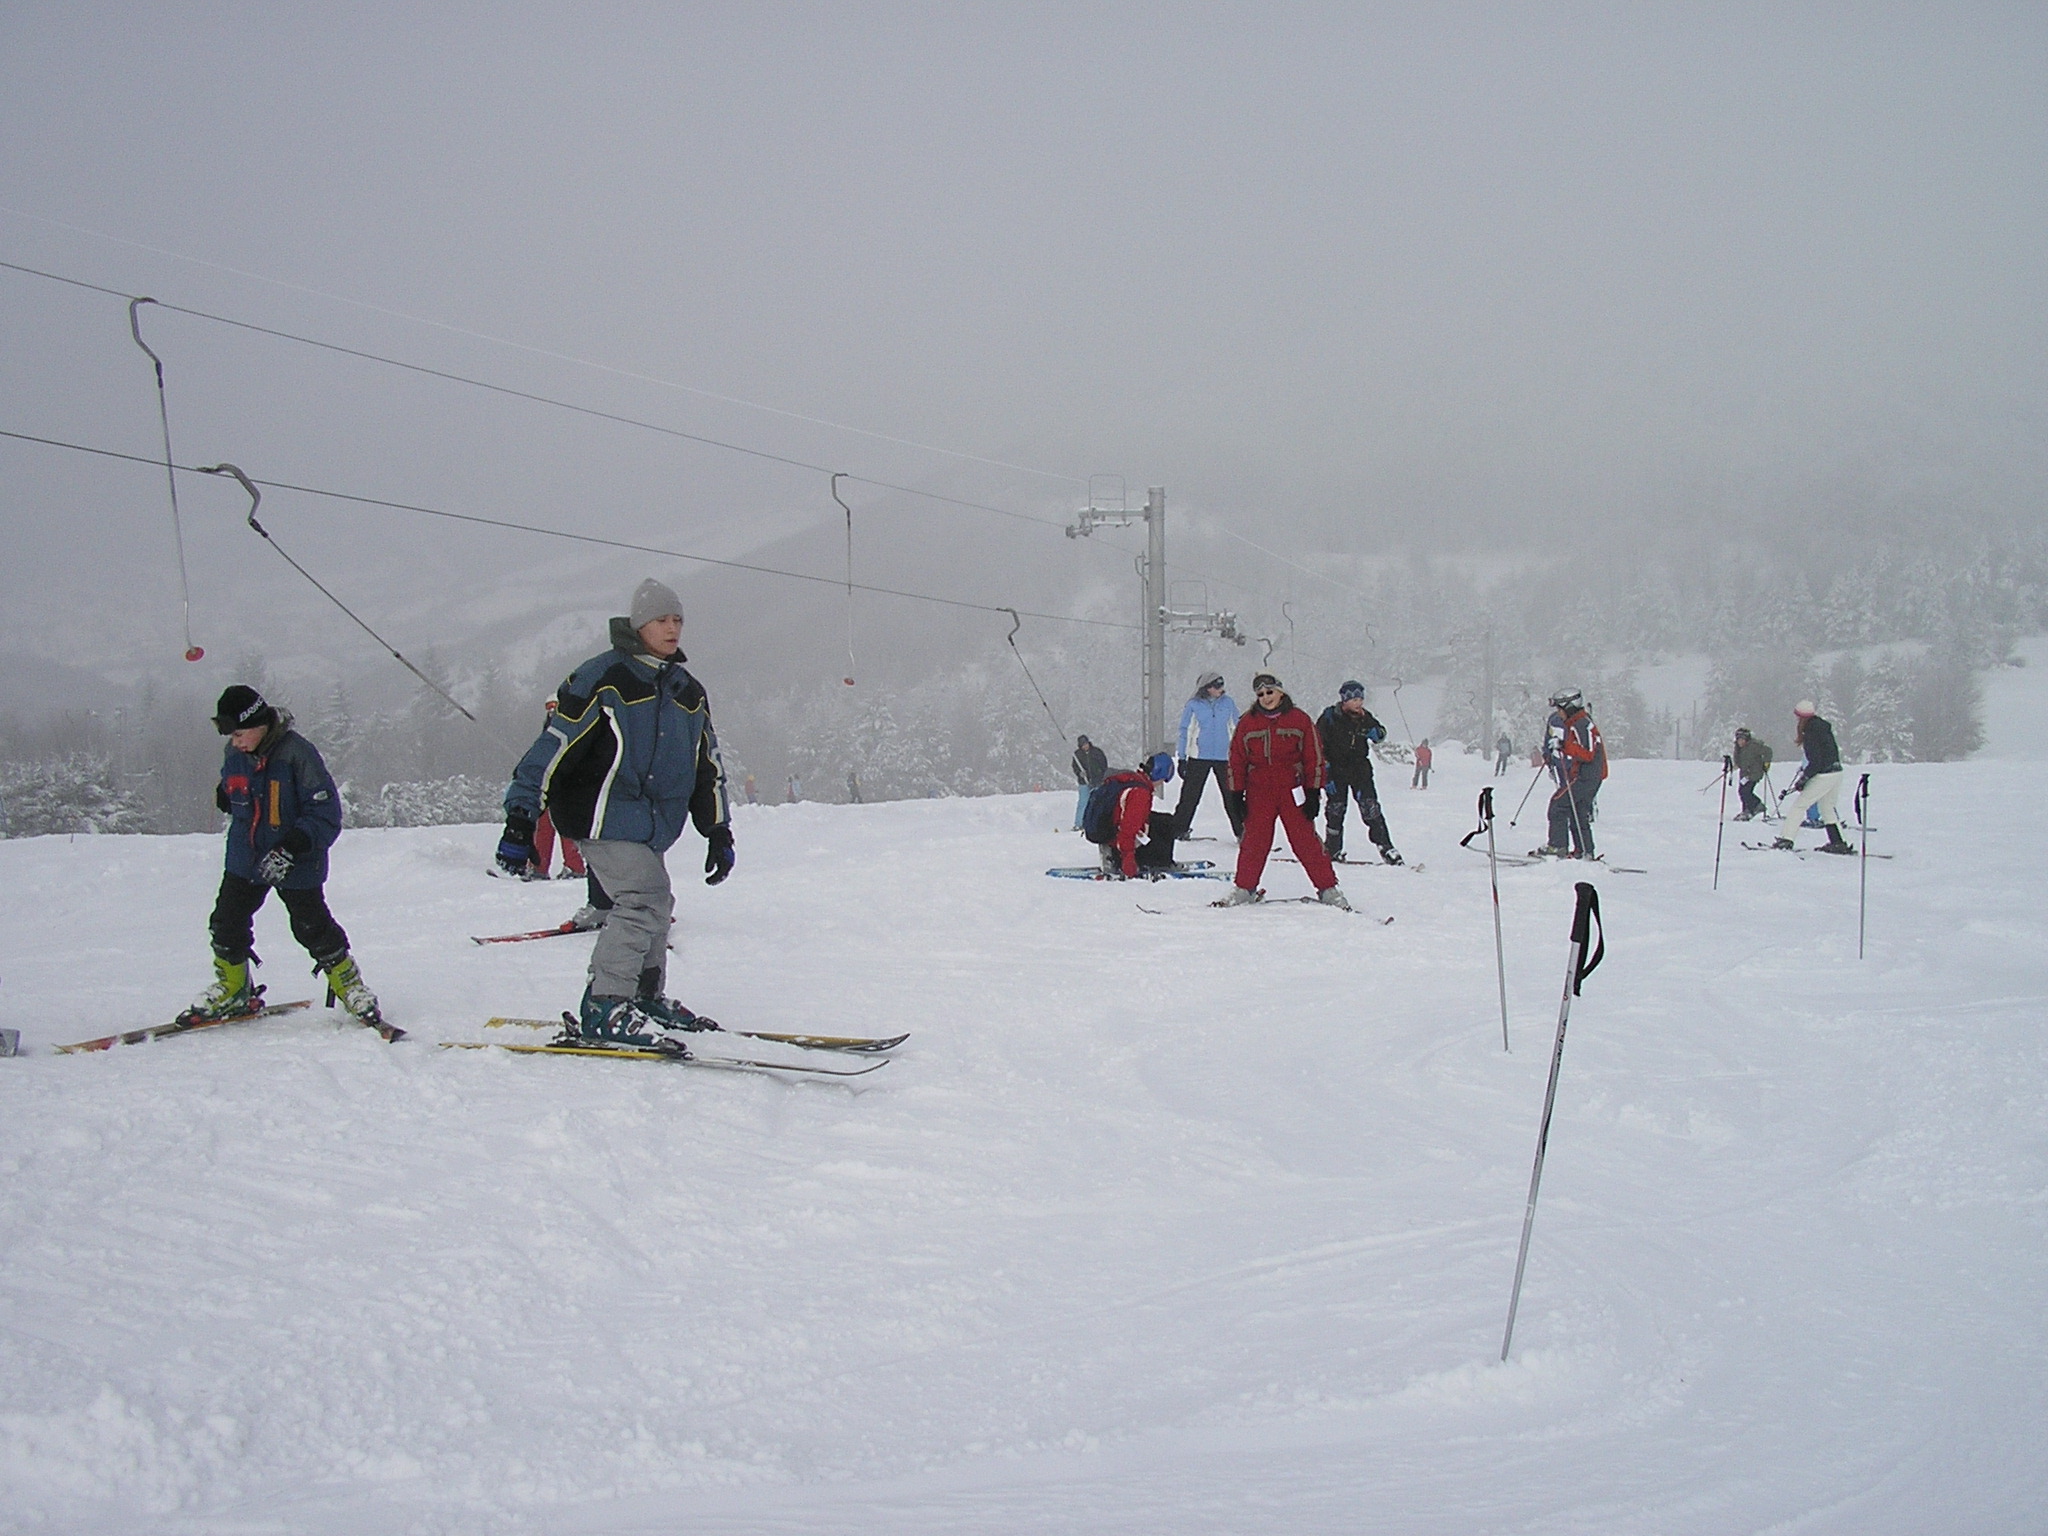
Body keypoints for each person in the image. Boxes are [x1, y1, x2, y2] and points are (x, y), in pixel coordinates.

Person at [498, 578, 734, 1045]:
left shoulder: (688, 692)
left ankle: (644, 996)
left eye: (677, 620)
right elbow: (553, 746)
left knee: (656, 901)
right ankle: (605, 1004)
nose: (672, 628)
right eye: (661, 620)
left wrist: (718, 830)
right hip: (600, 813)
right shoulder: (603, 679)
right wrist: (521, 818)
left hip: (652, 822)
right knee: (643, 898)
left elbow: (707, 764)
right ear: (638, 624)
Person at [184, 685, 384, 1028]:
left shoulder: (298, 755)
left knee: (312, 927)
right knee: (226, 923)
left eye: (239, 733)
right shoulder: (235, 753)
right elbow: (234, 791)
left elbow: (326, 814)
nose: (235, 742)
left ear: (259, 724)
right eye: (231, 736)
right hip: (246, 858)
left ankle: (350, 985)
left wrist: (291, 847)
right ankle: (233, 989)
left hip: (297, 859)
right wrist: (227, 794)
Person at [1221, 673, 1349, 908]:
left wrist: (1313, 791)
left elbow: (1314, 757)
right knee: (1255, 841)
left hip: (1292, 789)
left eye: (1270, 692)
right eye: (1261, 694)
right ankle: (1244, 888)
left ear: (1280, 692)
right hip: (1259, 791)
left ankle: (1328, 888)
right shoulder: (1247, 723)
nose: (1266, 698)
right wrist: (1236, 793)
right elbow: (1236, 760)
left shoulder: (1299, 720)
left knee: (1304, 840)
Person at [1316, 680, 1403, 865]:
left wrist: (1376, 732)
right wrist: (1325, 770)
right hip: (1336, 770)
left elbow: (1380, 734)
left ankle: (1386, 847)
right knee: (1335, 809)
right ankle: (1332, 848)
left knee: (1370, 807)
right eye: (1354, 699)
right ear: (1344, 700)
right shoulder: (1330, 716)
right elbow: (1317, 744)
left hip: (1360, 770)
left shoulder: (1365, 716)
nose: (1358, 703)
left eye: (1360, 699)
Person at [1170, 671, 1244, 840]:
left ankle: (1242, 832)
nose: (1221, 689)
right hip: (1198, 756)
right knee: (1190, 796)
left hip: (1225, 757)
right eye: (1217, 685)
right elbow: (1186, 731)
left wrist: (1240, 755)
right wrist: (1182, 757)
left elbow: (1236, 728)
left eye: (1221, 685)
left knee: (1232, 796)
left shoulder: (1228, 703)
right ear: (1207, 687)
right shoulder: (1193, 705)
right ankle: (1179, 830)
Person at [1533, 690, 1607, 859]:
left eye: (1560, 709)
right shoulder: (1578, 722)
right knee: (1577, 812)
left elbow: (1587, 753)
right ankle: (1584, 851)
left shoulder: (1581, 724)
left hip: (1585, 777)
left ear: (1569, 707)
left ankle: (1557, 846)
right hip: (1588, 776)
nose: (1559, 713)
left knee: (1558, 805)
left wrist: (1563, 745)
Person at [1775, 701, 1854, 854]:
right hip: (1836, 772)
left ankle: (1786, 840)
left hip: (1824, 774)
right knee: (1827, 808)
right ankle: (1837, 842)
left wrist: (1804, 779)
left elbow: (1816, 761)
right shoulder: (1822, 728)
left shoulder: (1810, 732)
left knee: (1799, 806)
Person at [1087, 752, 1180, 878]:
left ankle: (1115, 852)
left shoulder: (1135, 780)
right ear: (1158, 774)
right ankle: (1157, 863)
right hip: (1116, 838)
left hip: (1110, 829)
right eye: (1162, 780)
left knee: (1162, 821)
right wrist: (1128, 859)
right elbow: (1128, 828)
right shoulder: (1140, 793)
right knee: (1165, 826)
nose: (1160, 784)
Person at [1731, 727, 1773, 821]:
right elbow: (1739, 760)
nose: (1740, 742)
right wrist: (1735, 765)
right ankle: (1746, 810)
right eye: (1739, 739)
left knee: (1746, 791)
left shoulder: (1754, 746)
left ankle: (1756, 806)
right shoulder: (1738, 748)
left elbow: (1768, 751)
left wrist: (1766, 763)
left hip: (1754, 773)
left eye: (1742, 739)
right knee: (1742, 791)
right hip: (1744, 774)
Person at [1070, 733, 1108, 830]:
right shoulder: (1077, 755)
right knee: (1083, 802)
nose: (1085, 746)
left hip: (1097, 782)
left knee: (1097, 802)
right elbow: (1075, 767)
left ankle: (1098, 823)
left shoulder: (1097, 752)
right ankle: (1079, 823)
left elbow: (1104, 765)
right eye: (1082, 745)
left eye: (1086, 744)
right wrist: (1080, 773)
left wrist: (1100, 776)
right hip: (1084, 783)